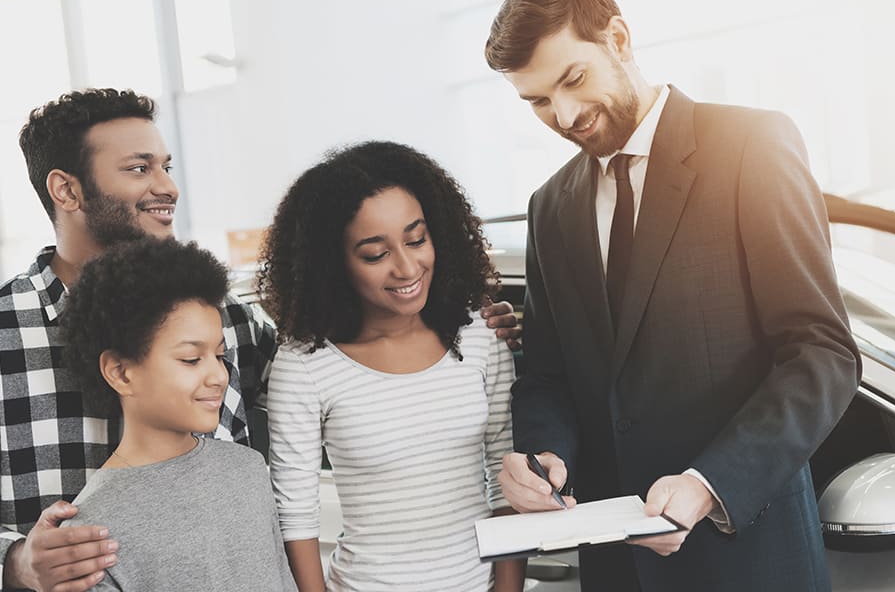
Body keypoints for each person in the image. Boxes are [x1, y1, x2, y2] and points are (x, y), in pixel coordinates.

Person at [0, 88, 518, 591]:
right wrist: (18, 563)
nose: (167, 187)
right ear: (66, 190)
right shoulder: (6, 330)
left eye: (166, 166)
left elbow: (354, 374)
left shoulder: (231, 323)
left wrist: (471, 322)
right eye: (139, 169)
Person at [484, 0, 862, 591]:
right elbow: (549, 376)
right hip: (615, 569)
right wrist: (544, 455)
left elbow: (822, 352)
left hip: (752, 561)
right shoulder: (550, 206)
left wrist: (710, 484)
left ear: (619, 39)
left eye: (573, 79)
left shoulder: (751, 145)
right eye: (536, 100)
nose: (564, 114)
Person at [258, 141, 526, 592]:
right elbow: (296, 518)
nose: (407, 267)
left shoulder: (480, 333)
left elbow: (507, 484)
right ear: (333, 264)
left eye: (417, 239)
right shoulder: (304, 364)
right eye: (375, 254)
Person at [58, 237, 296, 591]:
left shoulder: (247, 469)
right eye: (191, 359)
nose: (218, 376)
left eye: (219, 356)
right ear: (121, 373)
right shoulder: (89, 535)